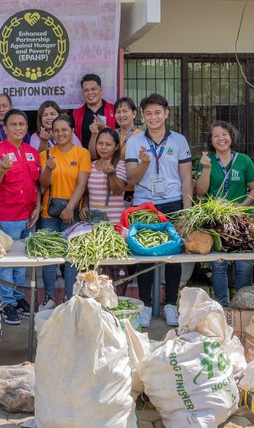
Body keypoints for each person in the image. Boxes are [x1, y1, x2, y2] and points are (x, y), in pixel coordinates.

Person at [125, 94, 192, 327]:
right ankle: (144, 304)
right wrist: (143, 162)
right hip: (144, 205)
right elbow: (131, 178)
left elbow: (186, 177)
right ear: (142, 116)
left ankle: (171, 304)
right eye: (148, 113)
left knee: (173, 256)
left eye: (157, 112)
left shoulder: (179, 141)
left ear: (166, 113)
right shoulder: (134, 142)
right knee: (144, 255)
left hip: (173, 203)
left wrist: (187, 211)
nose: (153, 117)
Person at [195, 120, 254, 307]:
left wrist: (243, 205)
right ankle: (221, 306)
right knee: (218, 265)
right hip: (216, 221)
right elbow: (200, 191)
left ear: (231, 136)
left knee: (244, 266)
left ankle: (241, 306)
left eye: (224, 134)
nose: (221, 138)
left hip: (241, 221)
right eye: (216, 136)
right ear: (211, 140)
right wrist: (206, 169)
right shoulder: (207, 160)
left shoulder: (243, 160)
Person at [0, 109, 41, 325]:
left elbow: (36, 183)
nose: (18, 128)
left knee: (22, 263)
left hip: (29, 215)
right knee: (7, 263)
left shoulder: (32, 151)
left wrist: (37, 206)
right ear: (5, 128)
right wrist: (1, 169)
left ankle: (19, 299)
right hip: (7, 217)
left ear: (27, 127)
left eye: (22, 124)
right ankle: (7, 303)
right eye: (14, 124)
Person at [38, 115, 91, 308]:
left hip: (73, 212)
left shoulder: (82, 153)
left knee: (71, 257)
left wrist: (70, 208)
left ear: (72, 131)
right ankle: (49, 297)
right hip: (49, 213)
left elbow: (82, 184)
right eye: (56, 130)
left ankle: (70, 297)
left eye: (64, 130)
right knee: (49, 257)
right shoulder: (46, 154)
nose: (60, 134)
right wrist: (48, 169)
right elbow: (43, 185)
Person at [81, 127, 129, 295]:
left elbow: (118, 190)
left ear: (116, 147)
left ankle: (116, 308)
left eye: (108, 144)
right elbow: (86, 191)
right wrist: (85, 205)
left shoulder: (120, 165)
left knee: (116, 271)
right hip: (93, 227)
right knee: (95, 271)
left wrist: (111, 174)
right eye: (100, 143)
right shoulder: (91, 165)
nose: (103, 147)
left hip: (115, 228)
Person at [73, 73, 116, 151]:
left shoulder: (113, 110)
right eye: (86, 90)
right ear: (82, 93)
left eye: (93, 89)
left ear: (100, 89)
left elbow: (121, 135)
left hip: (110, 159)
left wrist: (105, 128)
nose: (90, 93)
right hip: (84, 159)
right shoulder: (76, 114)